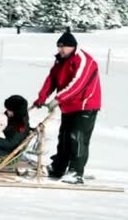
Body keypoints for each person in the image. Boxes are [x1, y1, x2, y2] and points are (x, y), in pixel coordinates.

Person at [33, 31, 101, 184]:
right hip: (68, 106)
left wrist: (58, 99)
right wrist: (42, 98)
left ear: (73, 47)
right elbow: (52, 79)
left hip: (85, 105)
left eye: (64, 48)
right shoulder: (60, 61)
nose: (61, 50)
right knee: (64, 138)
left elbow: (79, 84)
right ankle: (58, 168)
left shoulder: (84, 60)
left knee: (77, 138)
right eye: (59, 47)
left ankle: (76, 173)